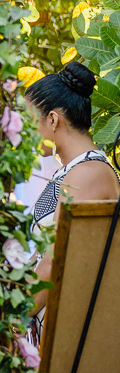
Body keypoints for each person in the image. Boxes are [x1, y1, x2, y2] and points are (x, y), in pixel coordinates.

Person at [24, 63, 119, 344]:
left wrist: (14, 314)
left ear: (53, 120)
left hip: (79, 336)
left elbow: (57, 258)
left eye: (31, 120)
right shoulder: (70, 170)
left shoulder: (88, 173)